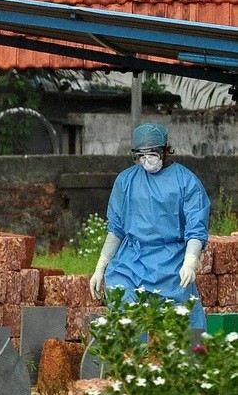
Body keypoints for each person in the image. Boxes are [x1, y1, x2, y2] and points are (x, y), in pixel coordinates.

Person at [89, 123, 211, 329]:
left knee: (179, 333)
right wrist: (100, 267)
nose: (146, 161)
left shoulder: (186, 182)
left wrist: (190, 262)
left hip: (170, 266)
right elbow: (116, 229)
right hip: (130, 263)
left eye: (152, 154)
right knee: (126, 324)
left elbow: (196, 228)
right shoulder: (126, 181)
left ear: (165, 150)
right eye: (140, 156)